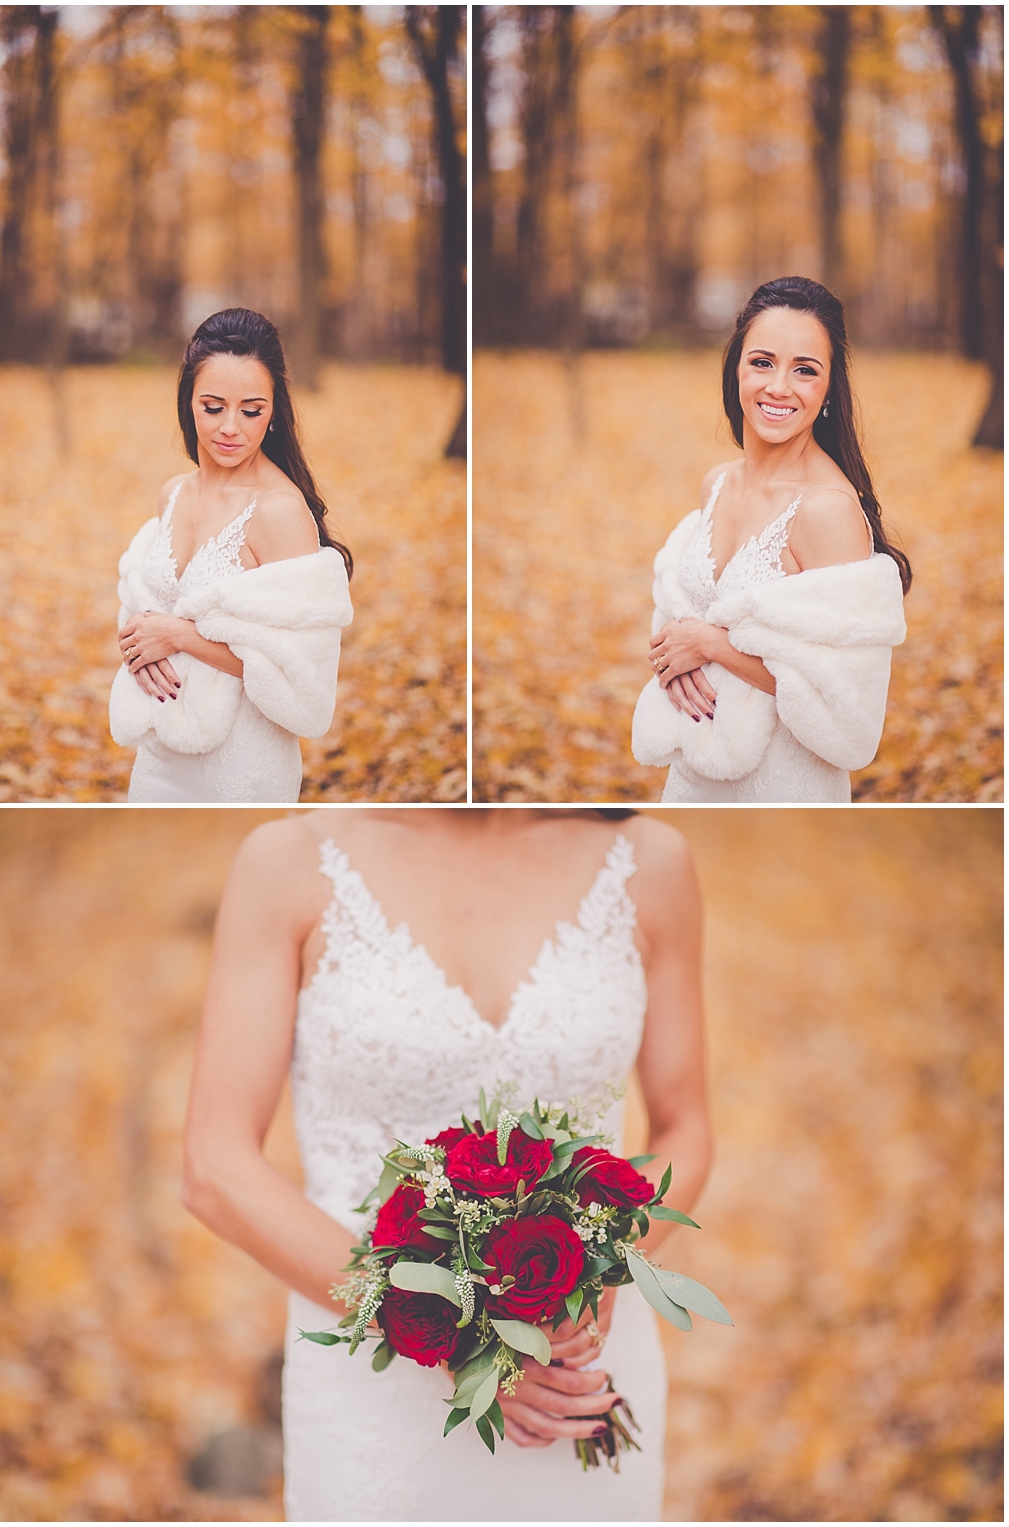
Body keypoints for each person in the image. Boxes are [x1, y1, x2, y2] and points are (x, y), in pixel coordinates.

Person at [182, 808, 712, 1522]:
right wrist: (469, 1337)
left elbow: (686, 1123)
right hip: (374, 1396)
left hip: (573, 1371)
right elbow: (214, 1166)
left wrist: (609, 1263)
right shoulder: (286, 863)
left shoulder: (653, 860)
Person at [632, 276, 911, 803]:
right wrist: (674, 649)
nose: (779, 387)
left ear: (828, 390)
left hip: (784, 784)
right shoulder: (716, 483)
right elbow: (680, 612)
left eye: (805, 370)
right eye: (762, 362)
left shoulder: (827, 511)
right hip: (695, 774)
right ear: (736, 368)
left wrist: (712, 644)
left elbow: (845, 698)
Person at [109, 309, 353, 803]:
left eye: (252, 410)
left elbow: (300, 674)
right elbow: (143, 607)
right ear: (189, 402)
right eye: (213, 406)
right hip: (160, 751)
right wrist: (139, 640)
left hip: (243, 765)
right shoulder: (172, 494)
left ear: (273, 412)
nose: (230, 428)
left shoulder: (280, 513)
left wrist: (179, 635)